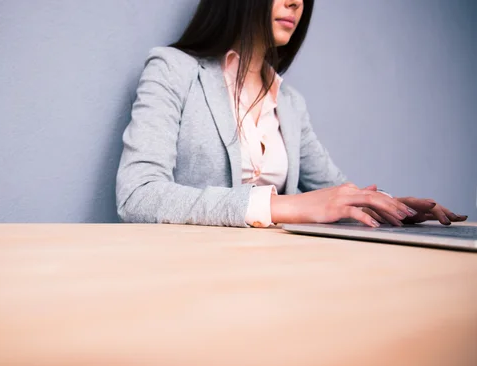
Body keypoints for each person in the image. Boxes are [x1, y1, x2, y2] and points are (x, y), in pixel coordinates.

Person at [116, 0, 467, 228]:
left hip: (280, 270)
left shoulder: (290, 102)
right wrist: (285, 207)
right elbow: (138, 195)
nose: (296, 3)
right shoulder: (172, 69)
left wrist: (387, 208)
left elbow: (332, 192)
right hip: (189, 273)